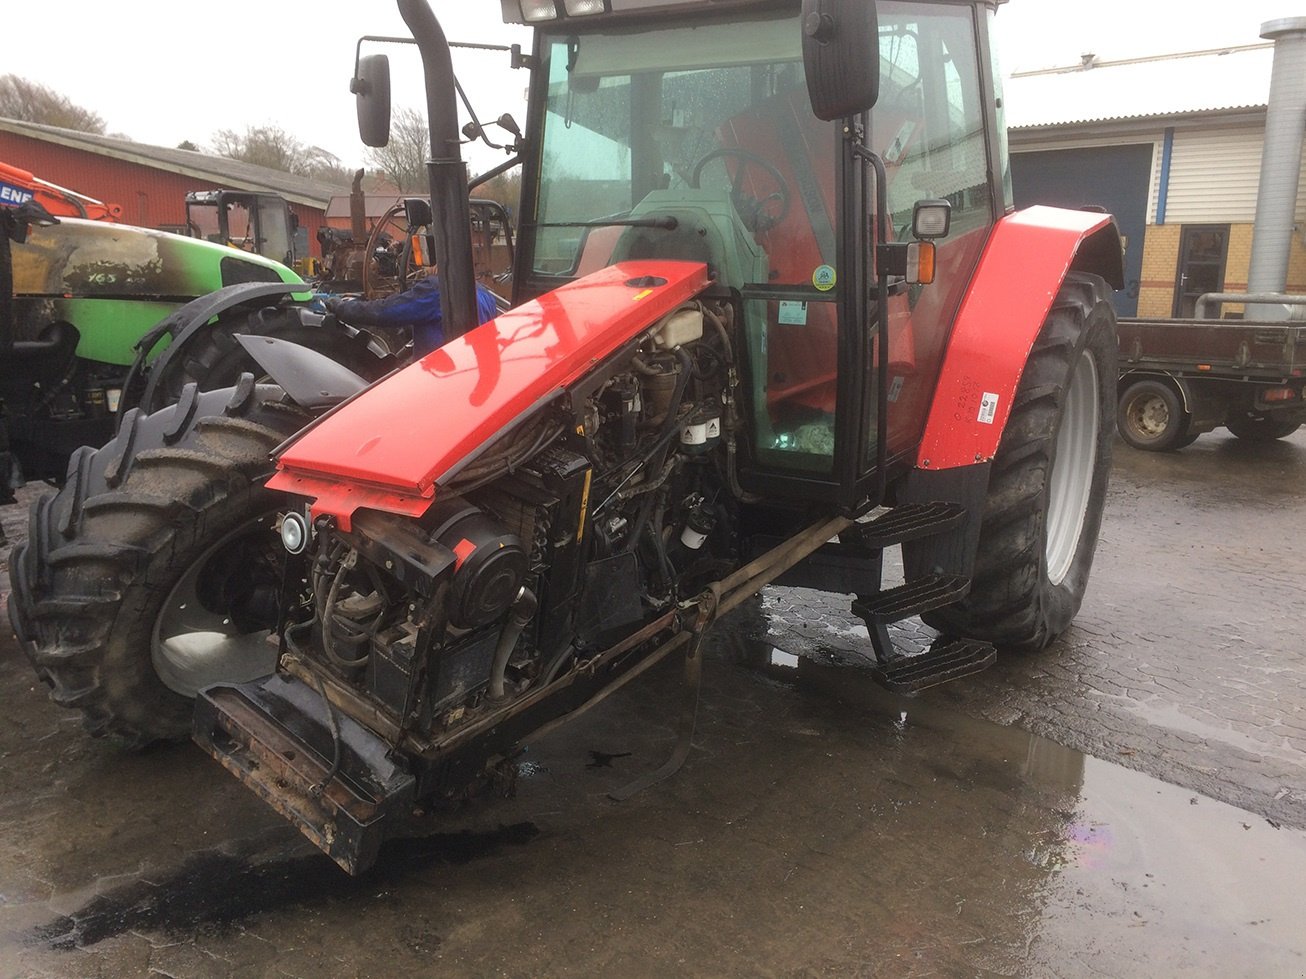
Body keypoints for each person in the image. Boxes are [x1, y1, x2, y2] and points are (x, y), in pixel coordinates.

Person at [324, 275, 501, 356]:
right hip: (470, 375)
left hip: (439, 381)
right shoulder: (485, 295)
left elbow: (385, 312)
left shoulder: (437, 290)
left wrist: (342, 308)